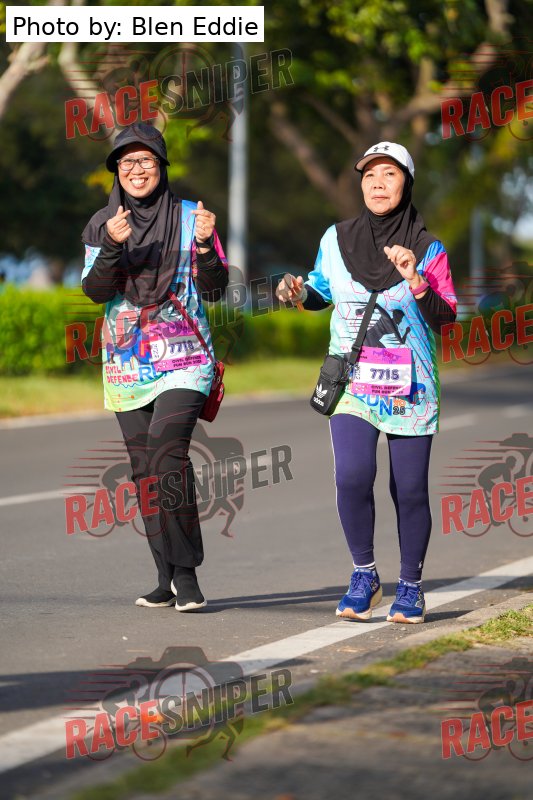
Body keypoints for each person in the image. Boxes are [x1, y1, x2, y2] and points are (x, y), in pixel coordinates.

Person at [276, 142, 457, 624]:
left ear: (406, 184)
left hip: (411, 386)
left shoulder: (429, 248)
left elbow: (446, 318)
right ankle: (365, 575)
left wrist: (415, 278)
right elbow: (320, 290)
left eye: (389, 174)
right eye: (369, 175)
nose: (378, 183)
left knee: (410, 489)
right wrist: (298, 292)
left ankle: (411, 586)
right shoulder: (336, 239)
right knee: (353, 477)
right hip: (353, 383)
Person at [81, 122, 228, 612]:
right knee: (145, 472)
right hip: (127, 363)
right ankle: (164, 578)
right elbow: (95, 291)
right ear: (116, 172)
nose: (137, 170)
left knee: (167, 455)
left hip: (186, 359)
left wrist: (204, 246)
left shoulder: (193, 218)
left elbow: (214, 289)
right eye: (127, 162)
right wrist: (112, 245)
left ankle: (187, 575)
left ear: (161, 167)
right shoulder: (102, 224)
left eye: (146, 160)